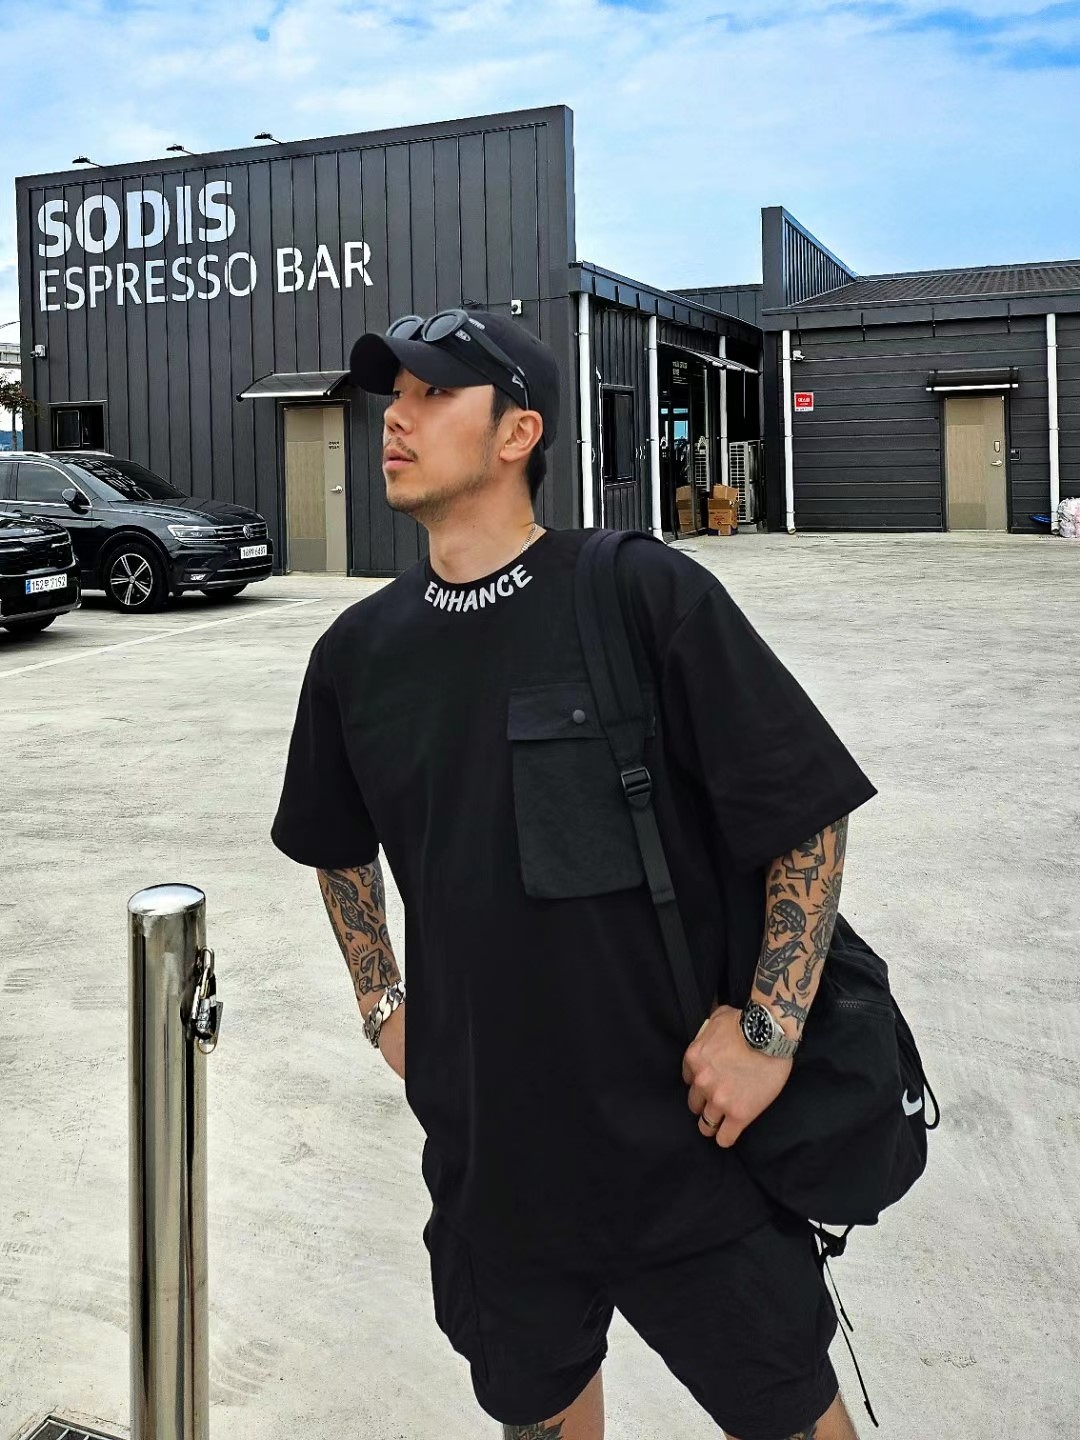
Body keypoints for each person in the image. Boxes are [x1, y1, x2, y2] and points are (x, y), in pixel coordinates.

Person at [270, 308, 879, 1440]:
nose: (396, 417)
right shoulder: (356, 655)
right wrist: (384, 1001)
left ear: (518, 433)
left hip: (685, 1148)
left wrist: (769, 1030)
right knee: (542, 1420)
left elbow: (806, 814)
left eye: (433, 393)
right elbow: (336, 841)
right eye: (393, 395)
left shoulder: (635, 593)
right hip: (495, 1167)